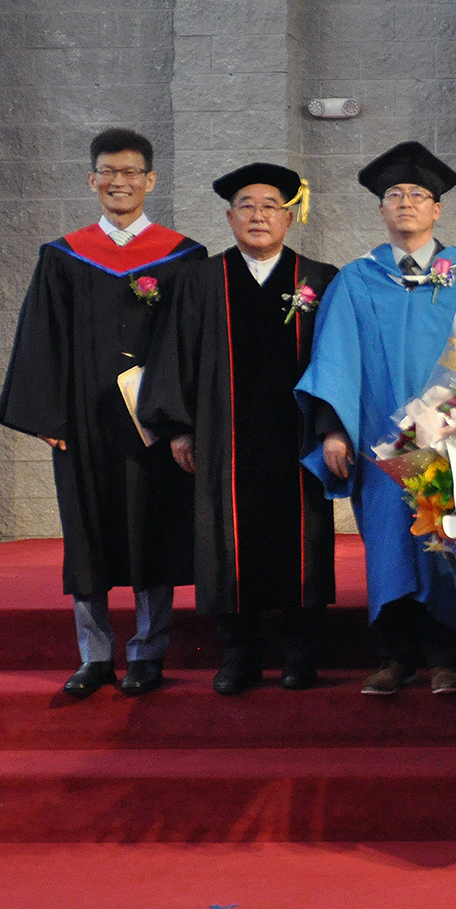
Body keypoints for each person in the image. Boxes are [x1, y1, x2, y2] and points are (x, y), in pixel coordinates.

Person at [0, 128, 205, 698]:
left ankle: (148, 653)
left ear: (150, 180)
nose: (119, 181)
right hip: (83, 423)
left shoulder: (182, 256)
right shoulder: (63, 255)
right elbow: (41, 338)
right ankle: (95, 656)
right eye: (108, 171)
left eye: (130, 171)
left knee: (152, 529)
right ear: (92, 180)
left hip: (151, 421)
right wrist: (49, 418)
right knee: (86, 532)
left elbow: (190, 343)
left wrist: (180, 420)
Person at [295, 141, 456, 696]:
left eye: (418, 195)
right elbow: (335, 355)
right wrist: (334, 429)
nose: (407, 203)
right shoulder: (357, 279)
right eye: (395, 195)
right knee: (387, 543)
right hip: (379, 439)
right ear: (381, 208)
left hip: (451, 440)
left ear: (438, 209)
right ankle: (393, 656)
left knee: (448, 540)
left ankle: (447, 657)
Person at [138, 162, 337, 695]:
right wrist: (179, 429)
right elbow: (174, 355)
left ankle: (299, 654)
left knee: (302, 541)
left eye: (270, 206)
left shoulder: (319, 279)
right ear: (229, 218)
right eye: (246, 206)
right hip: (223, 441)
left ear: (289, 218)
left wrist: (332, 428)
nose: (258, 216)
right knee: (225, 543)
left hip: (299, 441)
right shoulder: (200, 280)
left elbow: (339, 361)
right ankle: (239, 654)